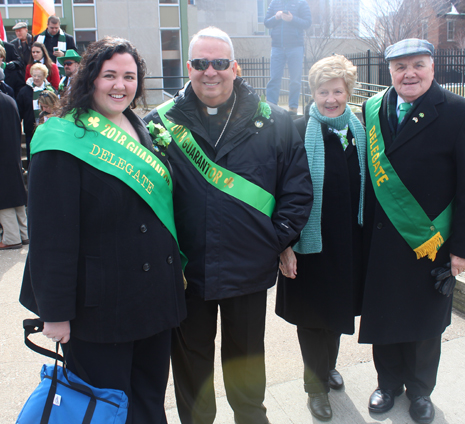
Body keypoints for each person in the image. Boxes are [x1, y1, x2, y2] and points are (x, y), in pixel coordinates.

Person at [144, 26, 313, 424]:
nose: (211, 72)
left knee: (247, 359)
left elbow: (297, 189)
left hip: (248, 269)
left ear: (235, 67)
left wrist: (275, 239)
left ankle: (251, 417)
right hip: (186, 273)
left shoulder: (276, 122)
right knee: (191, 364)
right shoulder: (158, 125)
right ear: (189, 67)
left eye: (220, 63)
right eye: (201, 63)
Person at [19, 36, 186, 424]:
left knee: (148, 399)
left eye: (129, 76)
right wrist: (54, 313)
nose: (120, 85)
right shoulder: (60, 137)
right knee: (102, 407)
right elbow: (50, 238)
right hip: (97, 309)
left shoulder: (139, 127)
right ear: (90, 78)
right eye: (109, 75)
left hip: (153, 302)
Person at [360, 39, 465, 424]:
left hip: (430, 243)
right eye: (400, 67)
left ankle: (419, 390)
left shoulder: (461, 113)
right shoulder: (373, 108)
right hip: (381, 240)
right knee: (383, 315)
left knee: (425, 322)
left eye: (418, 64)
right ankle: (387, 383)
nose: (409, 73)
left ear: (433, 67)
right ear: (389, 71)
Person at [276, 54, 367, 421]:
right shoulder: (297, 131)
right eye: (323, 91)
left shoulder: (360, 134)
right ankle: (315, 388)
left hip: (349, 244)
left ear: (348, 92)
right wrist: (283, 245)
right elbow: (277, 190)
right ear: (312, 92)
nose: (331, 99)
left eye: (337, 91)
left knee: (338, 314)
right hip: (309, 245)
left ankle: (327, 366)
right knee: (313, 320)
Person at [264, 0, 311, 114]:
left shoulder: (301, 3)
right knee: (274, 78)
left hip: (295, 47)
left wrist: (292, 19)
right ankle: (271, 107)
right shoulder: (274, 3)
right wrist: (276, 17)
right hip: (277, 47)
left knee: (295, 79)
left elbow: (307, 23)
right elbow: (266, 23)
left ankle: (293, 108)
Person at [0, 91, 29, 250]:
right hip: (12, 153)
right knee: (16, 193)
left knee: (3, 197)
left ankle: (11, 238)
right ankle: (24, 234)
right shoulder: (9, 100)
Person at [17, 63, 55, 167]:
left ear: (44, 77)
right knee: (32, 156)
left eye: (39, 76)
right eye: (34, 75)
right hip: (31, 129)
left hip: (48, 130)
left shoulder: (49, 91)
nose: (36, 78)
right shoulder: (24, 91)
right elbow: (19, 112)